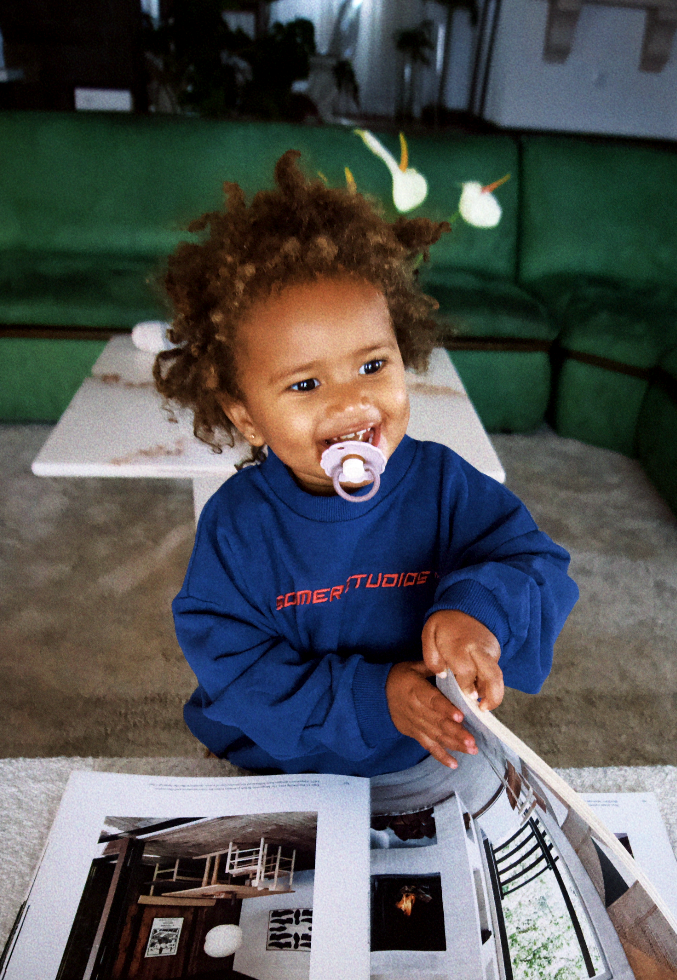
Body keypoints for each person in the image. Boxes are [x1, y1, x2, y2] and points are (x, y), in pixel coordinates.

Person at [155, 149, 578, 777]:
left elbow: (536, 566)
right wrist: (373, 696)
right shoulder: (237, 525)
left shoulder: (442, 486)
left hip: (422, 746)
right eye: (305, 385)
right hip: (279, 756)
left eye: (373, 366)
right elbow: (237, 666)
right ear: (246, 417)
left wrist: (477, 613)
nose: (352, 402)